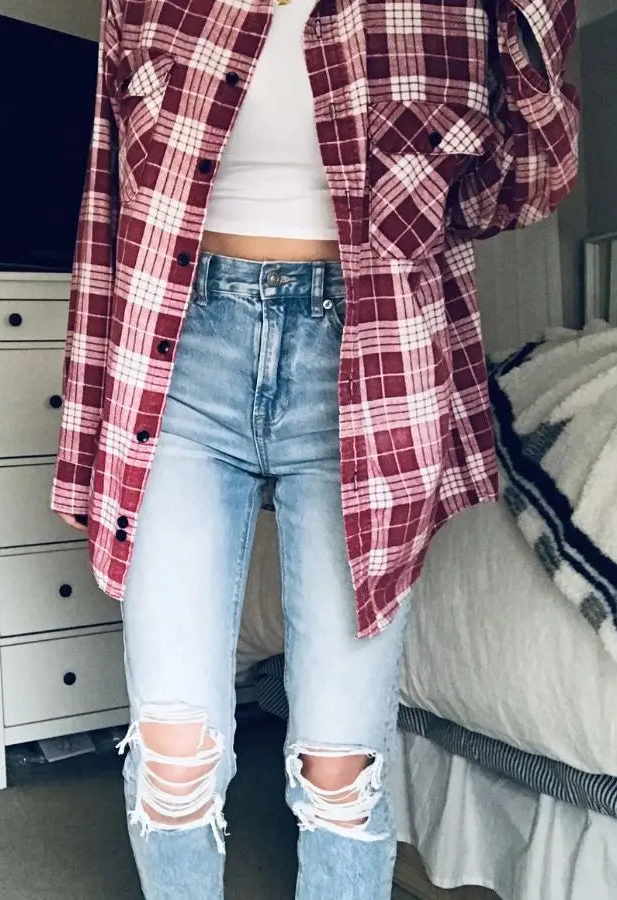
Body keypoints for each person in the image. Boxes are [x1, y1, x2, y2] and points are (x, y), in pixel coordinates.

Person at [52, 0, 579, 896]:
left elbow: (522, 187)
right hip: (183, 351)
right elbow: (109, 203)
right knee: (172, 758)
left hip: (368, 361)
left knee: (342, 768)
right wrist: (93, 407)